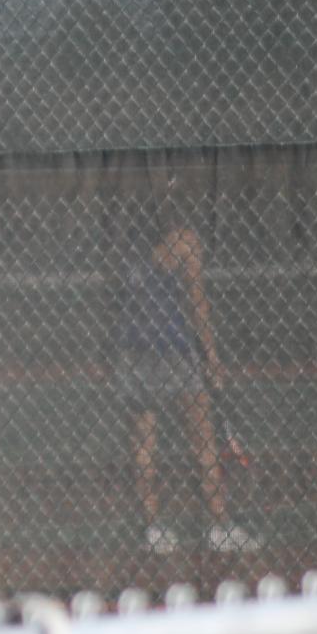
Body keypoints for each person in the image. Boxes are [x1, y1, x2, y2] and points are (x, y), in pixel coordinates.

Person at [117, 220, 252, 554]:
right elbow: (197, 300)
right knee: (203, 438)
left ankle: (153, 529)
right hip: (172, 349)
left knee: (144, 442)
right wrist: (211, 356)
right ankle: (219, 525)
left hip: (132, 349)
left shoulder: (124, 239)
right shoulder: (184, 241)